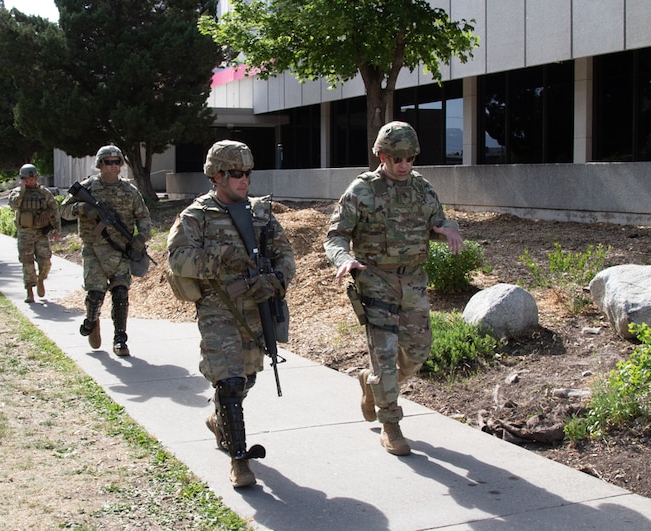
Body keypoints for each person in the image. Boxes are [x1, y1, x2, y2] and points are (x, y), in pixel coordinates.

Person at [323, 121, 464, 456]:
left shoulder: (423, 189)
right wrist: (344, 258)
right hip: (376, 281)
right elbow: (336, 235)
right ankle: (391, 425)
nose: (403, 165)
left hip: (413, 281)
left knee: (417, 353)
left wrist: (447, 229)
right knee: (384, 355)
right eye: (396, 158)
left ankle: (373, 386)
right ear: (382, 156)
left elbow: (436, 221)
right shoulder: (362, 190)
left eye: (409, 158)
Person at [167, 140, 295, 488]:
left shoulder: (261, 214)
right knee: (230, 380)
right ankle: (240, 459)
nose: (245, 180)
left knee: (248, 378)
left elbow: (286, 256)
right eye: (237, 173)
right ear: (218, 175)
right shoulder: (196, 216)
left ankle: (219, 419)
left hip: (255, 309)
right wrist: (220, 255)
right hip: (217, 309)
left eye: (248, 173)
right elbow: (177, 260)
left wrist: (277, 279)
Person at [61, 145, 152, 357]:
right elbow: (64, 211)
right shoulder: (88, 188)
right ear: (100, 164)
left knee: (120, 293)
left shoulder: (130, 191)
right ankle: (92, 321)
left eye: (117, 161)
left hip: (121, 250)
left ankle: (120, 339)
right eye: (108, 162)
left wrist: (141, 237)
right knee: (95, 294)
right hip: (94, 249)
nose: (113, 166)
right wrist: (82, 208)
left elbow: (144, 218)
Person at [9, 164, 62, 303]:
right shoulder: (17, 192)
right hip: (25, 234)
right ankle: (29, 291)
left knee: (45, 262)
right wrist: (21, 190)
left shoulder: (44, 193)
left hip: (41, 233)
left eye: (33, 178)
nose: (31, 181)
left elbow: (54, 210)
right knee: (27, 263)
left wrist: (57, 229)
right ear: (23, 179)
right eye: (27, 178)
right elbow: (13, 205)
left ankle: (41, 279)